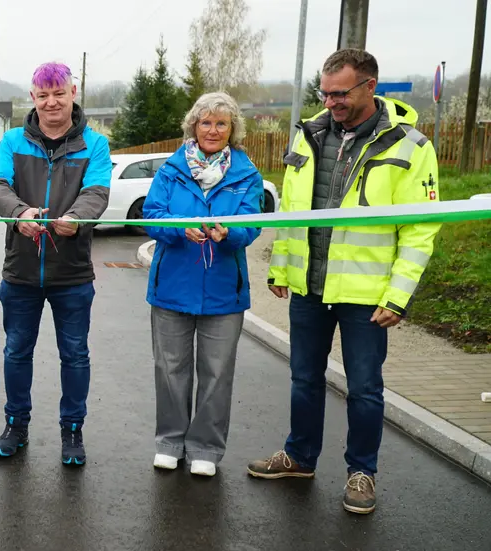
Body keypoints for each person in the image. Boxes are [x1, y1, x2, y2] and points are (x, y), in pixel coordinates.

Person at [247, 49, 441, 515]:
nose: (330, 101)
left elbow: (421, 228)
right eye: (325, 92)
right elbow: (294, 209)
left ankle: (362, 472)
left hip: (367, 295)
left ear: (369, 86)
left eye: (340, 93)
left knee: (365, 389)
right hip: (309, 289)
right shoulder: (309, 134)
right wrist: (280, 268)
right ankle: (299, 456)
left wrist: (398, 296)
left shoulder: (410, 146)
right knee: (303, 380)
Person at [0, 62, 111, 466]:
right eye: (43, 95)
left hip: (72, 274)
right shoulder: (12, 141)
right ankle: (15, 425)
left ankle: (72, 430)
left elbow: (96, 193)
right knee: (16, 352)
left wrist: (76, 218)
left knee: (75, 355)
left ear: (73, 92)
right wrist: (18, 213)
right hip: (20, 271)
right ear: (33, 97)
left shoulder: (95, 144)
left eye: (59, 93)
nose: (51, 101)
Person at [142, 92, 263, 477]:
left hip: (224, 292)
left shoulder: (247, 175)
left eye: (221, 123)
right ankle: (170, 442)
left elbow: (253, 225)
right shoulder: (169, 171)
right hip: (171, 288)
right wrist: (179, 228)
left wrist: (230, 233)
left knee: (217, 373)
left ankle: (206, 449)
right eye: (206, 122)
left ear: (233, 130)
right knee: (170, 369)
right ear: (193, 127)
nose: (213, 130)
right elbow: (151, 216)